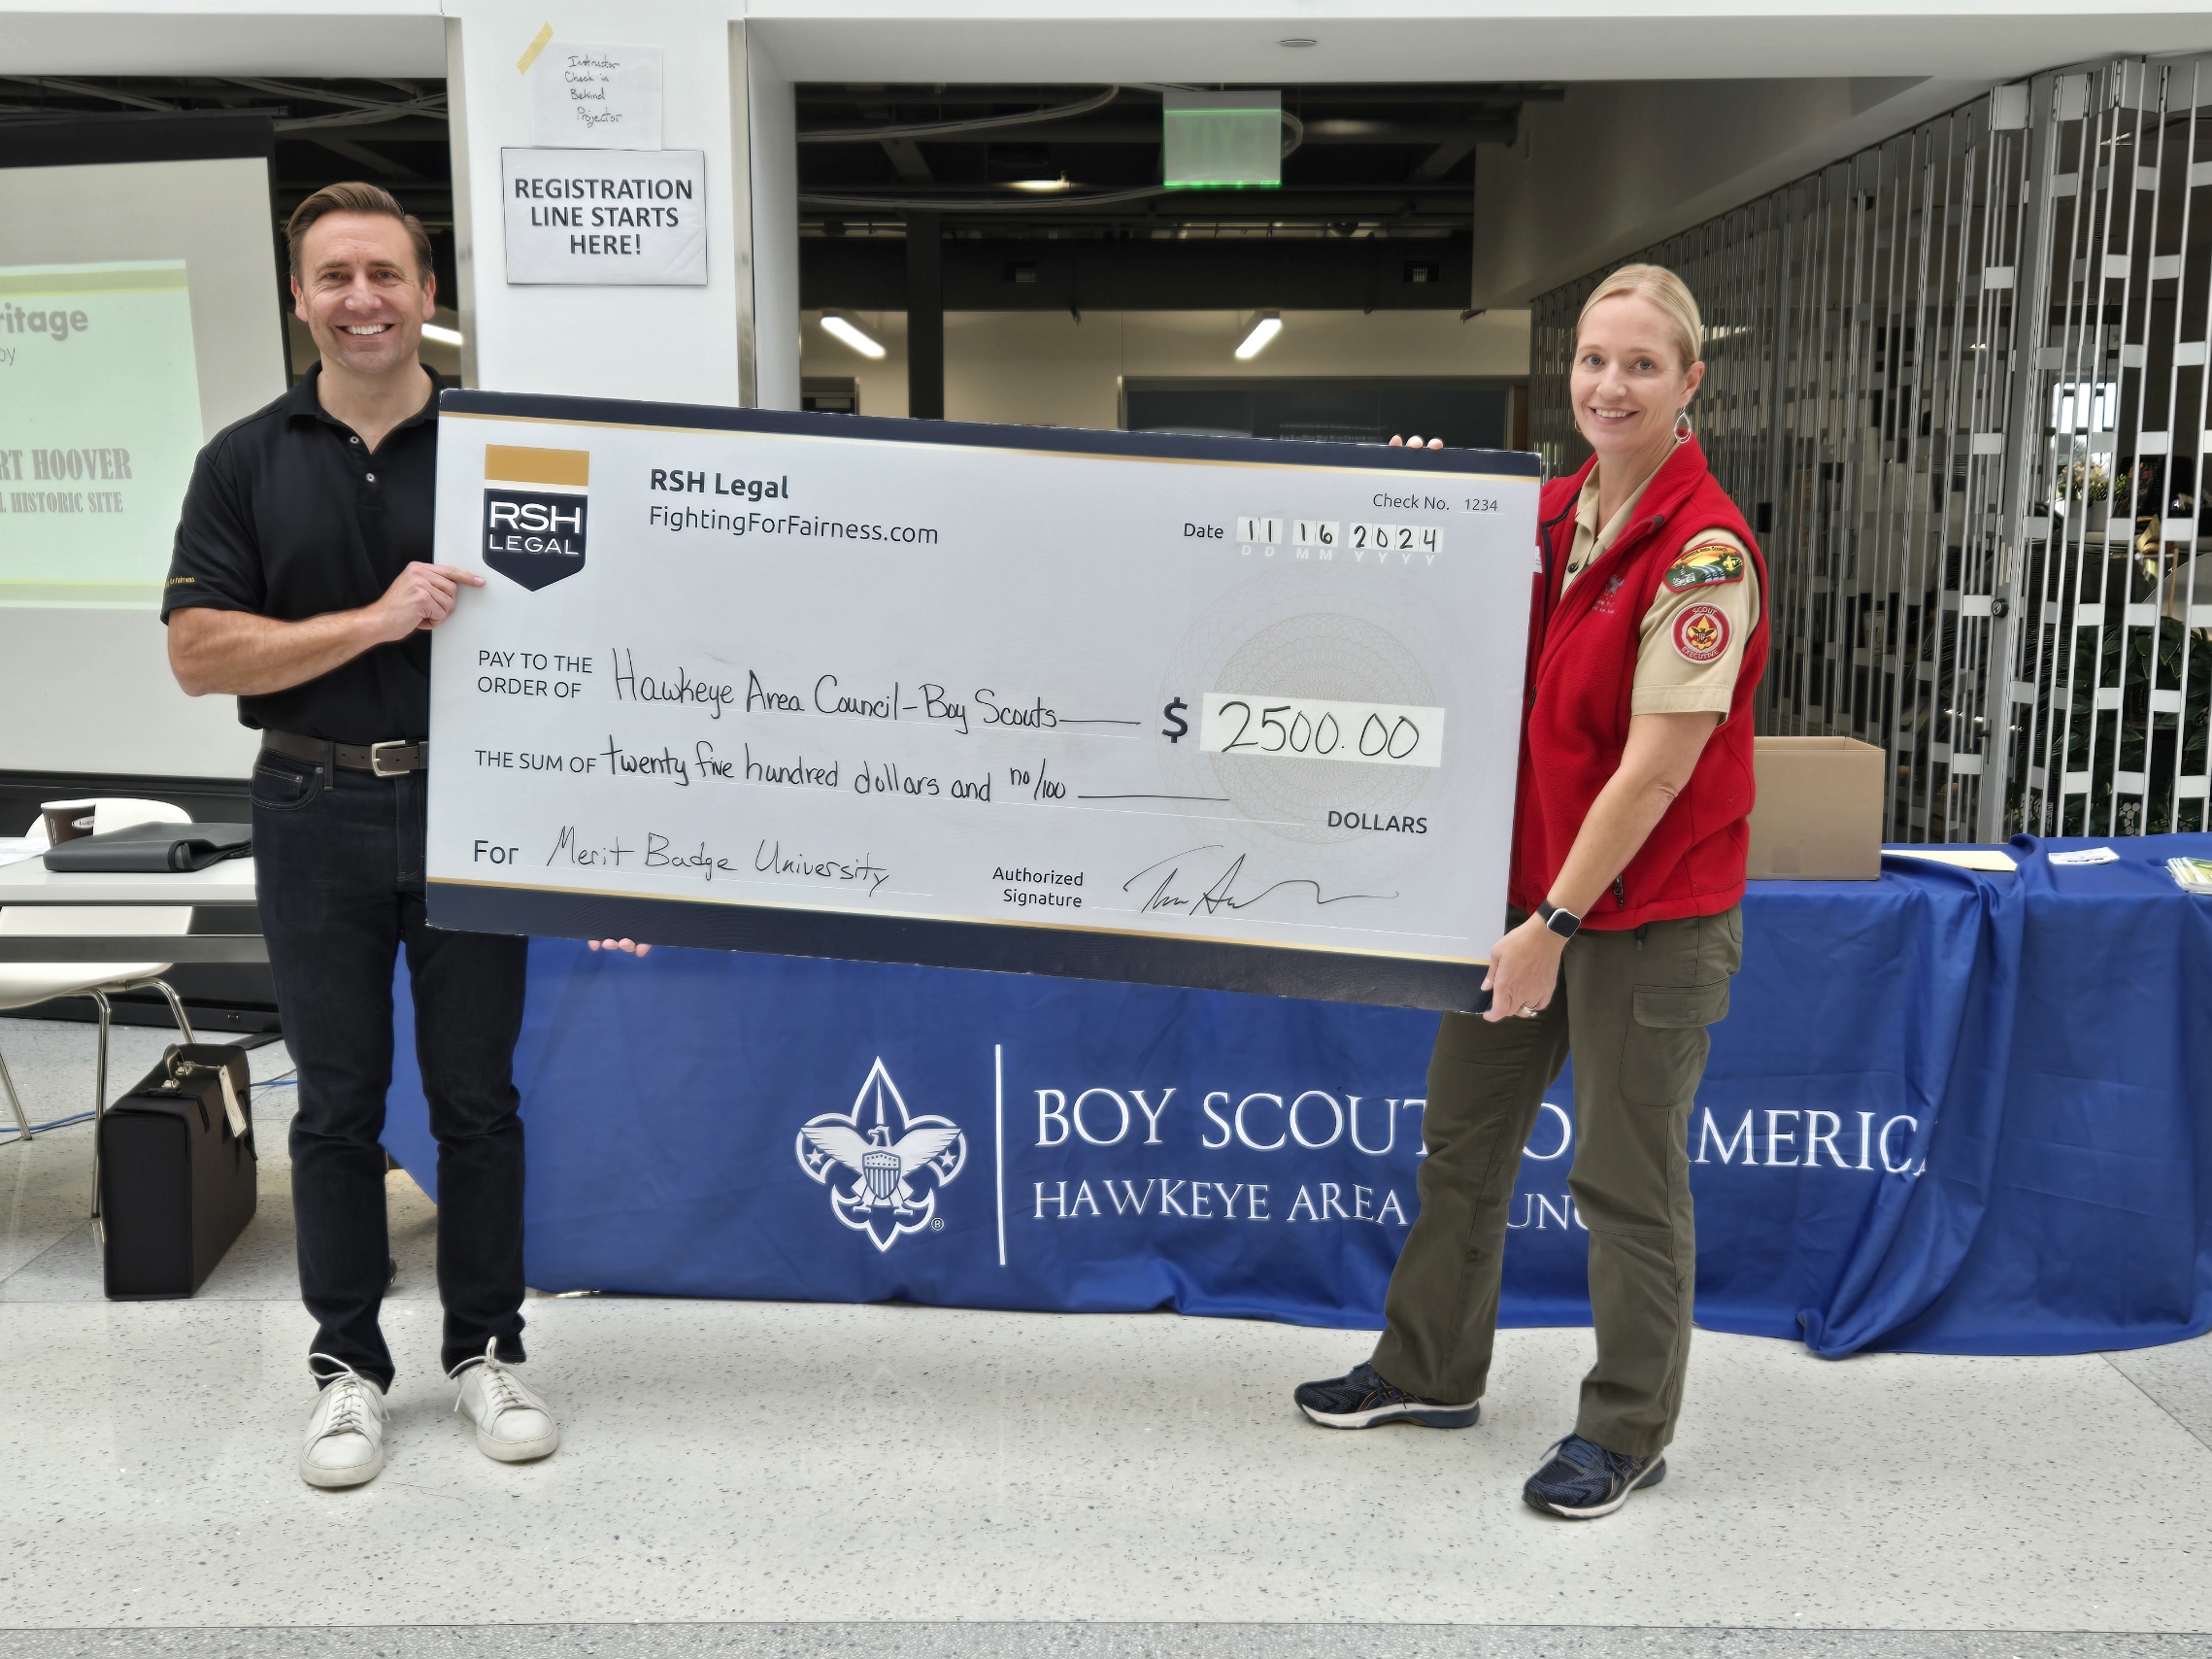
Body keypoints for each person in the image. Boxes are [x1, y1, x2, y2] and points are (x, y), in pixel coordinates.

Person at [163, 182, 648, 1490]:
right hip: (311, 802)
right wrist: (369, 623)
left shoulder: (514, 452)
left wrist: (599, 836)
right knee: (335, 1105)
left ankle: (487, 1349)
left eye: (385, 273)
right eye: (334, 277)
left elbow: (602, 645)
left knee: (478, 1102)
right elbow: (200, 654)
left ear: (430, 293)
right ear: (300, 298)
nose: (362, 298)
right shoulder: (244, 460)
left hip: (477, 813)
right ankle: (345, 1372)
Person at [1292, 264, 1766, 1520]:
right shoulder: (1544, 516)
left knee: (1621, 1177)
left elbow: (1654, 771)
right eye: (1591, 361)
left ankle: (1623, 1431)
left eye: (1640, 365)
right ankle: (1429, 1369)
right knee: (1461, 1147)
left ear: (1688, 385)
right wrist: (1410, 511)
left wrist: (1555, 923)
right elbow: (1431, 638)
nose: (1609, 386)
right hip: (1522, 907)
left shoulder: (1703, 552)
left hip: (1637, 920)